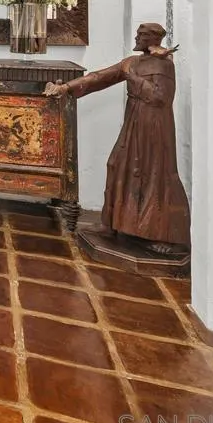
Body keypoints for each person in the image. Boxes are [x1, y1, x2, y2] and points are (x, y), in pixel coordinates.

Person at [44, 23, 190, 254]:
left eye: (141, 35)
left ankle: (166, 234)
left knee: (155, 173)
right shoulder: (132, 62)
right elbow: (99, 77)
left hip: (155, 126)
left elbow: (160, 97)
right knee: (118, 164)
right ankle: (113, 223)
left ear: (152, 39)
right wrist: (66, 89)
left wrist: (132, 77)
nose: (136, 37)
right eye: (138, 34)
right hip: (134, 120)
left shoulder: (164, 65)